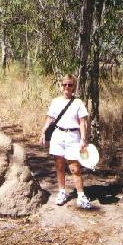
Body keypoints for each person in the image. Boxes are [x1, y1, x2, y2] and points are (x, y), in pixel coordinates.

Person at [40, 74, 92, 209]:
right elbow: (50, 119)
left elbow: (83, 122)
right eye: (64, 84)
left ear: (74, 87)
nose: (67, 87)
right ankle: (62, 192)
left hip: (73, 137)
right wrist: (43, 132)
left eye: (70, 84)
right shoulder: (55, 101)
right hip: (58, 135)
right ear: (61, 86)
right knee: (59, 166)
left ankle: (81, 196)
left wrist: (83, 139)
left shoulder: (78, 103)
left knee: (75, 168)